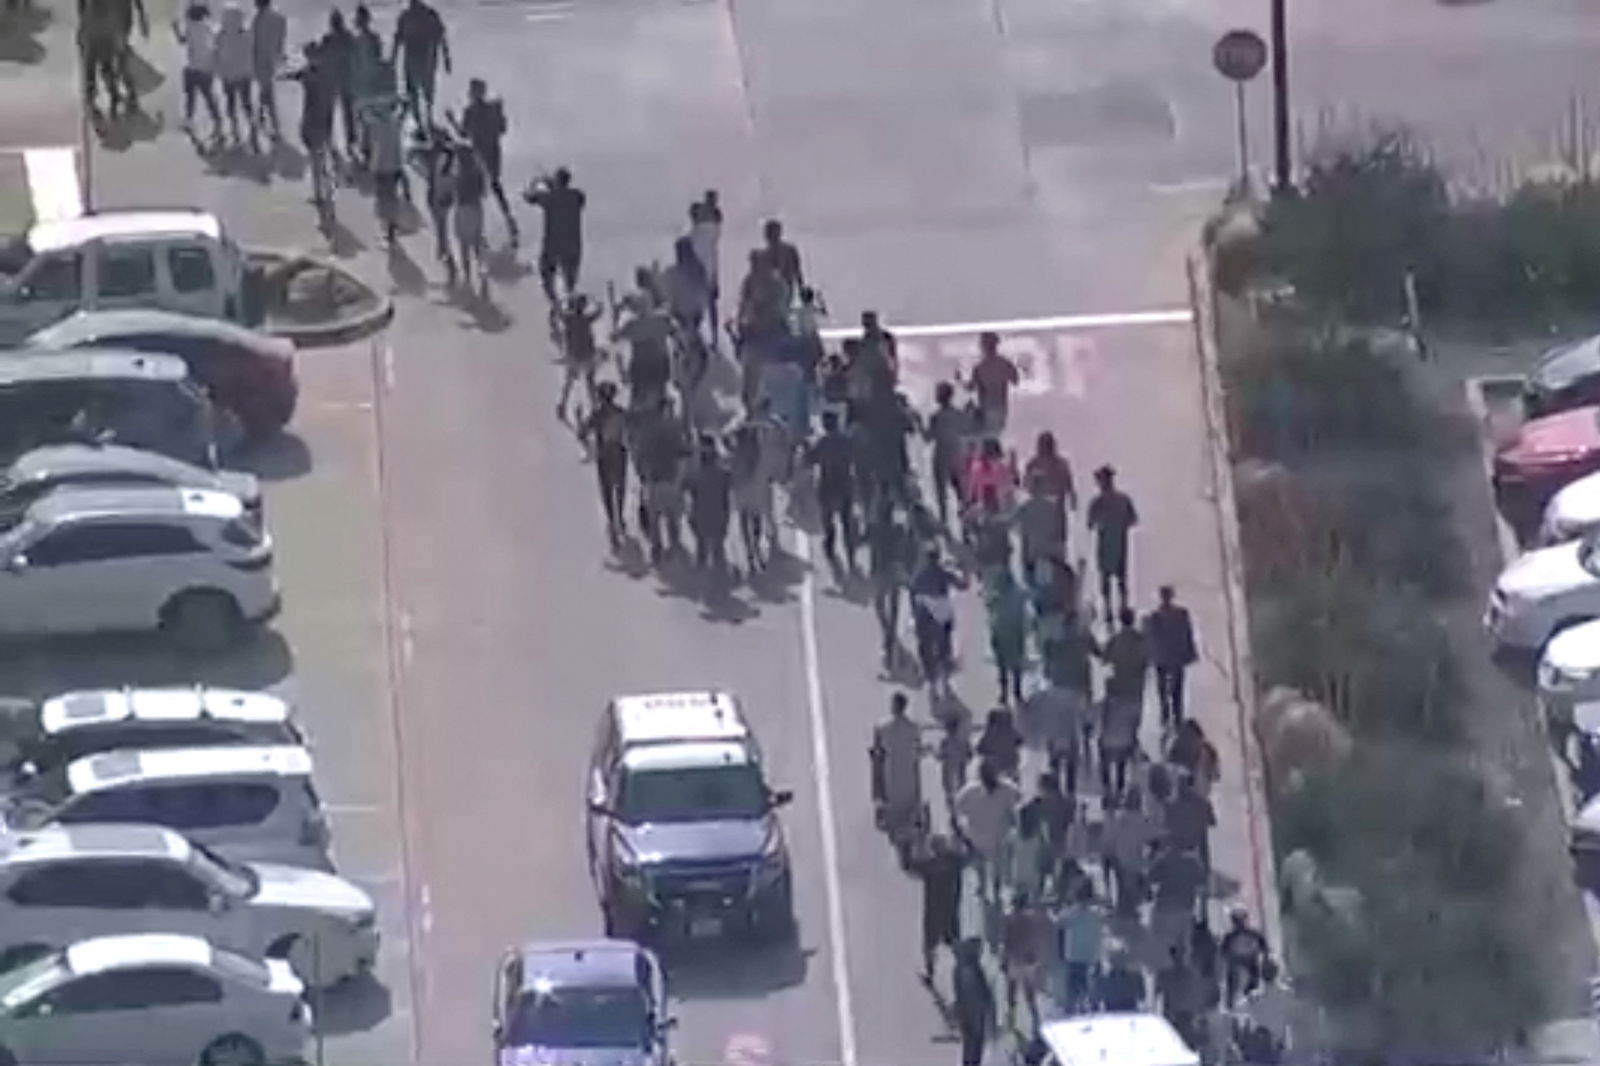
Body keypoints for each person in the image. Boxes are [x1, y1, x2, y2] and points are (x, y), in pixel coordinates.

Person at [454, 78, 516, 241]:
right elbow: (503, 129)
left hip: (478, 154)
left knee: (477, 190)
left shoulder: (470, 111)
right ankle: (508, 216)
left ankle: (479, 231)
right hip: (494, 151)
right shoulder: (493, 109)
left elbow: (463, 134)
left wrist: (452, 120)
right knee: (496, 185)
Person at [954, 758, 1021, 905]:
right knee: (985, 864)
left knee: (993, 865)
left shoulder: (1006, 789)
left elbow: (1015, 810)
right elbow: (958, 810)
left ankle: (992, 889)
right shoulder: (971, 792)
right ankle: (985, 887)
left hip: (995, 835)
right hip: (981, 835)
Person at [633, 398, 688, 562]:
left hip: (659, 478)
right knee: (668, 515)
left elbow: (639, 454)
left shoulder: (649, 430)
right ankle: (670, 546)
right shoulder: (675, 429)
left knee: (659, 516)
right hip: (666, 477)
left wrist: (642, 473)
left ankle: (661, 547)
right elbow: (683, 452)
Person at [577, 381, 630, 545]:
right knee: (620, 487)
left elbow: (582, 432)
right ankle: (619, 517)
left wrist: (579, 420)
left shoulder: (597, 415)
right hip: (620, 452)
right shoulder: (621, 412)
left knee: (606, 490)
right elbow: (630, 430)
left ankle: (612, 520)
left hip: (604, 455)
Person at [871, 692, 924, 856]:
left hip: (891, 771)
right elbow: (917, 750)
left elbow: (877, 753)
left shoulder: (882, 726)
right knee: (909, 803)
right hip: (908, 771)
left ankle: (900, 835)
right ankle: (908, 835)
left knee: (893, 804)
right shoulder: (914, 728)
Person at [911, 546, 965, 699]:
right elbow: (962, 585)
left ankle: (931, 681)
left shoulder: (919, 575)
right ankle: (945, 677)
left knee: (924, 648)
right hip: (941, 614)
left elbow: (912, 589)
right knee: (944, 646)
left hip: (924, 614)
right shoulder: (943, 573)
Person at [287, 41, 336, 211]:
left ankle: (319, 194)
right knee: (322, 154)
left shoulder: (309, 73)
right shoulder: (328, 71)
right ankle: (326, 187)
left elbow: (296, 76)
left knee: (315, 157)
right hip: (325, 116)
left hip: (312, 118)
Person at [912, 834, 966, 985]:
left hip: (933, 911)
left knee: (929, 945)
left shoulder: (931, 866)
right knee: (955, 942)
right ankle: (963, 971)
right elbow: (969, 855)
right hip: (951, 909)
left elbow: (912, 866)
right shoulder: (954, 862)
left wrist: (918, 843)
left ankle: (930, 974)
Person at [808, 411, 859, 571]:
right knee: (846, 521)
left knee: (828, 520)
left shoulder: (822, 443)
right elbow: (855, 457)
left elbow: (810, 459)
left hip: (827, 484)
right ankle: (851, 555)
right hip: (845, 483)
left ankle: (830, 545)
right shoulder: (846, 441)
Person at [525, 168, 587, 302]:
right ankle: (572, 306)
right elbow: (579, 200)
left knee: (547, 276)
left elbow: (529, 197)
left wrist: (536, 182)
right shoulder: (577, 196)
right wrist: (553, 186)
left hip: (552, 246)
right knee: (570, 282)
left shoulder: (548, 198)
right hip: (573, 245)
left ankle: (555, 303)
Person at [866, 503, 914, 668]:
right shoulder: (898, 530)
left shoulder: (874, 528)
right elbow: (906, 547)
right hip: (894, 569)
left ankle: (888, 633)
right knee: (894, 606)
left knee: (879, 604)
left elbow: (862, 540)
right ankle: (891, 634)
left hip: (879, 569)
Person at [1086, 465, 1138, 618]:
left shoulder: (1097, 503)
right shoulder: (1123, 499)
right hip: (1119, 542)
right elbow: (1133, 520)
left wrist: (1102, 524)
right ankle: (1122, 606)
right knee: (1121, 577)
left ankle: (1109, 608)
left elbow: (1090, 524)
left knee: (1106, 578)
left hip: (1106, 543)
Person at [1144, 585, 1199, 729]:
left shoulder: (1154, 617)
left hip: (1162, 659)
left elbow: (1150, 639)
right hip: (1176, 658)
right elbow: (1187, 634)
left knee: (1162, 688)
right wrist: (1190, 653)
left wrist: (1150, 657)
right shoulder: (1181, 614)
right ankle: (1177, 716)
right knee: (1178, 690)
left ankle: (1165, 714)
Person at [392, 0, 449, 129]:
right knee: (414, 90)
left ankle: (425, 118)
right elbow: (398, 38)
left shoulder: (426, 15)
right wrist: (393, 59)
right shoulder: (407, 16)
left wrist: (446, 57)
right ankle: (419, 119)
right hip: (416, 58)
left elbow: (441, 37)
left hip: (424, 57)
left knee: (423, 90)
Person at [1100, 787, 1156, 918]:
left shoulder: (1120, 818)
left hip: (1120, 857)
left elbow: (1110, 837)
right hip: (1135, 859)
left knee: (1122, 886)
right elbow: (1151, 835)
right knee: (1129, 885)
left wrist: (1109, 853)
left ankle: (1124, 909)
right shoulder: (1142, 819)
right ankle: (1128, 908)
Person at [1000, 890, 1049, 1036]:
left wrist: (1004, 959)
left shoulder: (1009, 919)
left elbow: (1006, 941)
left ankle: (1011, 1020)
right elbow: (1035, 939)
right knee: (1030, 994)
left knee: (1011, 991)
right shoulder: (1032, 919)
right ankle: (1036, 1021)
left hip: (1015, 959)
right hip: (1028, 960)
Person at [1148, 842, 1206, 961]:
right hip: (1185, 909)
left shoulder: (1164, 859)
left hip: (1163, 909)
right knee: (1184, 950)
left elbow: (1151, 878)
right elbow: (1202, 885)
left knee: (1158, 949)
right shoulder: (1193, 862)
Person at [730, 419, 774, 574]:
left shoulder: (737, 453)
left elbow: (733, 472)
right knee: (756, 521)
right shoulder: (757, 451)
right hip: (754, 489)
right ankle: (756, 550)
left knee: (744, 521)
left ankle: (750, 553)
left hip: (742, 490)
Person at [923, 381, 969, 527]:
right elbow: (967, 431)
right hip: (957, 454)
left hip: (941, 456)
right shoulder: (959, 414)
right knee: (961, 493)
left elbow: (928, 438)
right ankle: (966, 523)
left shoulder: (936, 417)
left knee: (941, 494)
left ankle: (944, 522)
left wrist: (917, 421)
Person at [175, 2, 222, 140]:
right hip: (207, 68)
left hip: (194, 67)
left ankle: (189, 120)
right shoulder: (208, 28)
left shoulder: (191, 28)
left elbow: (182, 41)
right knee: (208, 95)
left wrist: (175, 28)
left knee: (190, 94)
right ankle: (217, 119)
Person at [1056, 880, 1105, 1014]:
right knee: (1092, 996)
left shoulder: (1070, 914)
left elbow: (1058, 924)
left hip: (1074, 959)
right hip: (1092, 959)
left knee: (1071, 997)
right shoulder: (1097, 914)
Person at [686, 436, 732, 576]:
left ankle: (704, 575)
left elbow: (688, 489)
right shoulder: (723, 473)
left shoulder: (696, 474)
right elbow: (727, 491)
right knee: (718, 547)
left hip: (701, 513)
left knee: (702, 545)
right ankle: (718, 576)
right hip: (718, 513)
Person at [556, 293, 604, 423]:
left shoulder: (568, 319)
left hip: (574, 354)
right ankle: (594, 406)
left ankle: (563, 405)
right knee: (590, 382)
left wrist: (561, 302)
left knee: (570, 381)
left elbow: (557, 311)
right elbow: (600, 311)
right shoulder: (586, 319)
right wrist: (596, 301)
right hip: (587, 353)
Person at [985, 570, 1029, 708]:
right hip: (1015, 633)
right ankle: (1017, 693)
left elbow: (989, 607)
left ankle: (1005, 695)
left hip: (1001, 634)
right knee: (1016, 667)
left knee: (1003, 667)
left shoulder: (996, 595)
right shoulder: (1019, 593)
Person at [367, 96, 407, 244]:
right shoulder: (394, 123)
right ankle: (392, 226)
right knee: (392, 197)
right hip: (395, 166)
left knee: (383, 198)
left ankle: (389, 229)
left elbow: (366, 116)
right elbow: (401, 111)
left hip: (381, 167)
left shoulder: (376, 125)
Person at [318, 10, 357, 160]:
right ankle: (351, 140)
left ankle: (328, 139)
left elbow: (320, 56)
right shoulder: (349, 38)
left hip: (330, 80)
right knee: (348, 113)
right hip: (347, 79)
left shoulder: (327, 39)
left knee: (329, 111)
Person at [451, 140, 489, 294]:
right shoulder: (477, 172)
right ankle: (481, 268)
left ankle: (467, 275)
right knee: (477, 241)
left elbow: (453, 190)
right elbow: (484, 192)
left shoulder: (458, 173)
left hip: (462, 208)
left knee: (463, 245)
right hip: (476, 208)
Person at [951, 938, 995, 1066]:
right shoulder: (973, 969)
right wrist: (988, 1001)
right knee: (976, 1041)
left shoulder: (958, 968)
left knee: (968, 1040)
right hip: (976, 1011)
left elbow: (957, 990)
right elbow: (982, 991)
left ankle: (968, 1062)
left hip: (964, 1009)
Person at [968, 331, 1020, 438]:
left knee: (987, 440)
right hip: (1001, 410)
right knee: (994, 439)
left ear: (983, 346)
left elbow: (970, 388)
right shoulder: (1004, 364)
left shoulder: (979, 367)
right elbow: (1016, 380)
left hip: (986, 411)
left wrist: (959, 380)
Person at [213, 3, 253, 143]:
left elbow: (216, 56)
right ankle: (252, 128)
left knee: (231, 103)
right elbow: (251, 55)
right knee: (246, 103)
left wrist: (219, 73)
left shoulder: (220, 36)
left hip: (228, 76)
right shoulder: (247, 35)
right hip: (244, 74)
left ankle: (235, 130)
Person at [1165, 772, 1215, 878]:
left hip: (1179, 843)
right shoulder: (1201, 802)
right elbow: (1212, 822)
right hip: (1194, 842)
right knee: (1203, 835)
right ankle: (1206, 872)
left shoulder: (1171, 805)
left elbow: (1166, 825)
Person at [1016, 475, 1068, 578]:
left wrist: (1024, 560)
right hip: (1053, 554)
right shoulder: (1053, 506)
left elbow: (1024, 535)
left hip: (1035, 554)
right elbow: (1061, 532)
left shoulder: (1026, 508)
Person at [1219, 907, 1270, 1007]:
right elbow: (1223, 954)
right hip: (1237, 968)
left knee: (1252, 987)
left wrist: (1266, 959)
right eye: (1237, 920)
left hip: (1250, 965)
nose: (1239, 923)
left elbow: (1264, 948)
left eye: (1241, 920)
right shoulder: (1229, 937)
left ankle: (1250, 1003)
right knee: (1234, 984)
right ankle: (1232, 1005)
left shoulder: (1254, 934)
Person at [249, 0, 285, 138]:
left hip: (260, 60)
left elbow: (253, 42)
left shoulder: (257, 20)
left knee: (267, 93)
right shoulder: (279, 18)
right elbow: (281, 41)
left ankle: (271, 125)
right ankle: (261, 119)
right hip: (272, 60)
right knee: (266, 92)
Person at [1156, 945, 1204, 1049]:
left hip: (1182, 1011)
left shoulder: (1166, 974)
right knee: (1177, 1038)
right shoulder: (1189, 973)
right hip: (1177, 1010)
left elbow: (1158, 992)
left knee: (1180, 1038)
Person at [689, 191, 723, 331]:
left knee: (705, 304)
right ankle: (708, 333)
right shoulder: (706, 231)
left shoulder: (700, 233)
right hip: (704, 269)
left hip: (703, 269)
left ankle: (705, 332)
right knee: (706, 304)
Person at [1005, 802, 1049, 902]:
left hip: (1017, 872)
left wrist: (1007, 874)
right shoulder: (1039, 836)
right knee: (1033, 902)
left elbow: (1007, 855)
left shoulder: (1013, 835)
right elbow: (1043, 854)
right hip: (1033, 873)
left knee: (1018, 902)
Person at [1024, 431, 1077, 514]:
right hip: (1039, 509)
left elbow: (1069, 485)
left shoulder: (1061, 464)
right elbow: (1027, 486)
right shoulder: (1033, 464)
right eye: (1043, 445)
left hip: (1057, 509)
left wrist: (1073, 500)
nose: (1045, 449)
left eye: (1047, 445)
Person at [760, 218, 804, 301]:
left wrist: (801, 289)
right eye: (769, 234)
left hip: (784, 292)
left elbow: (797, 272)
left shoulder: (790, 250)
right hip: (769, 295)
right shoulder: (762, 256)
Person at [1096, 944, 1146, 1011]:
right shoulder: (1103, 979)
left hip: (1129, 1012)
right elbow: (1100, 1001)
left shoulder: (1135, 977)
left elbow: (1141, 997)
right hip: (1111, 1013)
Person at [937, 715, 972, 806]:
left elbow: (940, 756)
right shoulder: (963, 741)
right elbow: (969, 756)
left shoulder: (945, 742)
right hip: (958, 770)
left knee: (950, 791)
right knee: (958, 790)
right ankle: (956, 810)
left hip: (950, 770)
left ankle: (953, 811)